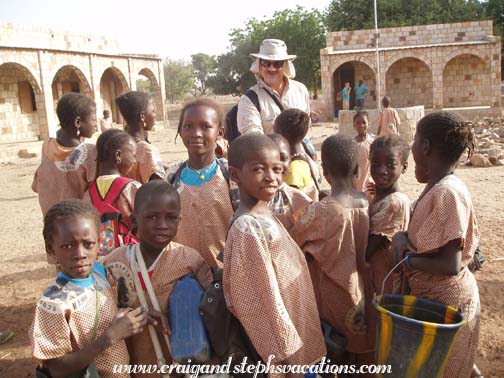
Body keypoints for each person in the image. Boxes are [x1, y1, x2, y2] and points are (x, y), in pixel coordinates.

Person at [224, 133, 326, 373]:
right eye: (259, 169)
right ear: (235, 174)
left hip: (298, 335)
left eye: (277, 169)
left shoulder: (263, 214)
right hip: (287, 355)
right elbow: (263, 301)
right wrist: (287, 358)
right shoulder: (247, 227)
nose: (271, 177)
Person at [391, 111, 480, 377]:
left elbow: (449, 263)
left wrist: (406, 257)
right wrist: (404, 238)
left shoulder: (447, 192)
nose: (413, 145)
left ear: (426, 147)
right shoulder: (438, 186)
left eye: (416, 139)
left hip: (448, 304)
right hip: (436, 300)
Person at [104, 181, 212, 375]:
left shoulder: (190, 261)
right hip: (133, 365)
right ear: (135, 220)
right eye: (152, 217)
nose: (162, 225)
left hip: (181, 368)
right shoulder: (114, 262)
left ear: (179, 220)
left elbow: (210, 312)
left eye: (170, 218)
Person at [29, 200, 147, 378]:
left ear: (100, 243)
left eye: (88, 244)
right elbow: (57, 368)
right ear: (50, 248)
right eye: (67, 246)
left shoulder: (101, 274)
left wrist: (142, 315)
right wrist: (109, 337)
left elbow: (116, 311)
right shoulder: (53, 303)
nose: (79, 254)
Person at [291, 134, 374, 367]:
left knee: (335, 351)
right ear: (357, 170)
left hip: (333, 296)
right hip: (362, 291)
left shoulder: (323, 210)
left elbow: (295, 239)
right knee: (359, 352)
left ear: (325, 171)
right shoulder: (366, 202)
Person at [165, 99, 237, 269]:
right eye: (188, 126)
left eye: (205, 127)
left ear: (219, 132)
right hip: (184, 273)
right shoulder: (171, 177)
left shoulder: (231, 175)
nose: (196, 133)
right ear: (180, 131)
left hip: (227, 271)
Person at [236, 38, 317, 160]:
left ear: (285, 65)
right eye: (266, 63)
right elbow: (254, 139)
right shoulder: (250, 99)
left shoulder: (300, 90)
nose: (271, 69)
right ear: (259, 65)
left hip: (301, 161)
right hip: (272, 165)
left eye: (277, 64)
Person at [83, 129, 141, 255]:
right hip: (129, 255)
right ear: (118, 155)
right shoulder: (132, 188)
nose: (135, 160)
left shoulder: (88, 192)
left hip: (98, 256)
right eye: (133, 155)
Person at [365, 135, 410, 295]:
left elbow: (368, 250)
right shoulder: (379, 195)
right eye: (376, 164)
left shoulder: (394, 203)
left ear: (404, 167)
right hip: (376, 276)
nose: (381, 170)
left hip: (384, 279)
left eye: (390, 165)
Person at [267, 133, 312, 233]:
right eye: (270, 159)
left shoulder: (298, 199)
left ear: (290, 160)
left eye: (283, 158)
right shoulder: (250, 197)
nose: (277, 164)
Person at [116, 91, 165, 183]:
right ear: (142, 116)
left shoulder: (119, 145)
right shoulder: (147, 150)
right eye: (153, 111)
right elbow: (159, 186)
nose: (155, 115)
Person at [273, 108, 320, 201]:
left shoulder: (293, 170)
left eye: (274, 130)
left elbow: (291, 205)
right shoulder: (306, 158)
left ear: (283, 133)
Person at [353, 110, 374, 193]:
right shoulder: (352, 144)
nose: (361, 125)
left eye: (364, 122)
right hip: (356, 183)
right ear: (354, 125)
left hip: (370, 181)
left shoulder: (373, 142)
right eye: (358, 123)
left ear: (369, 123)